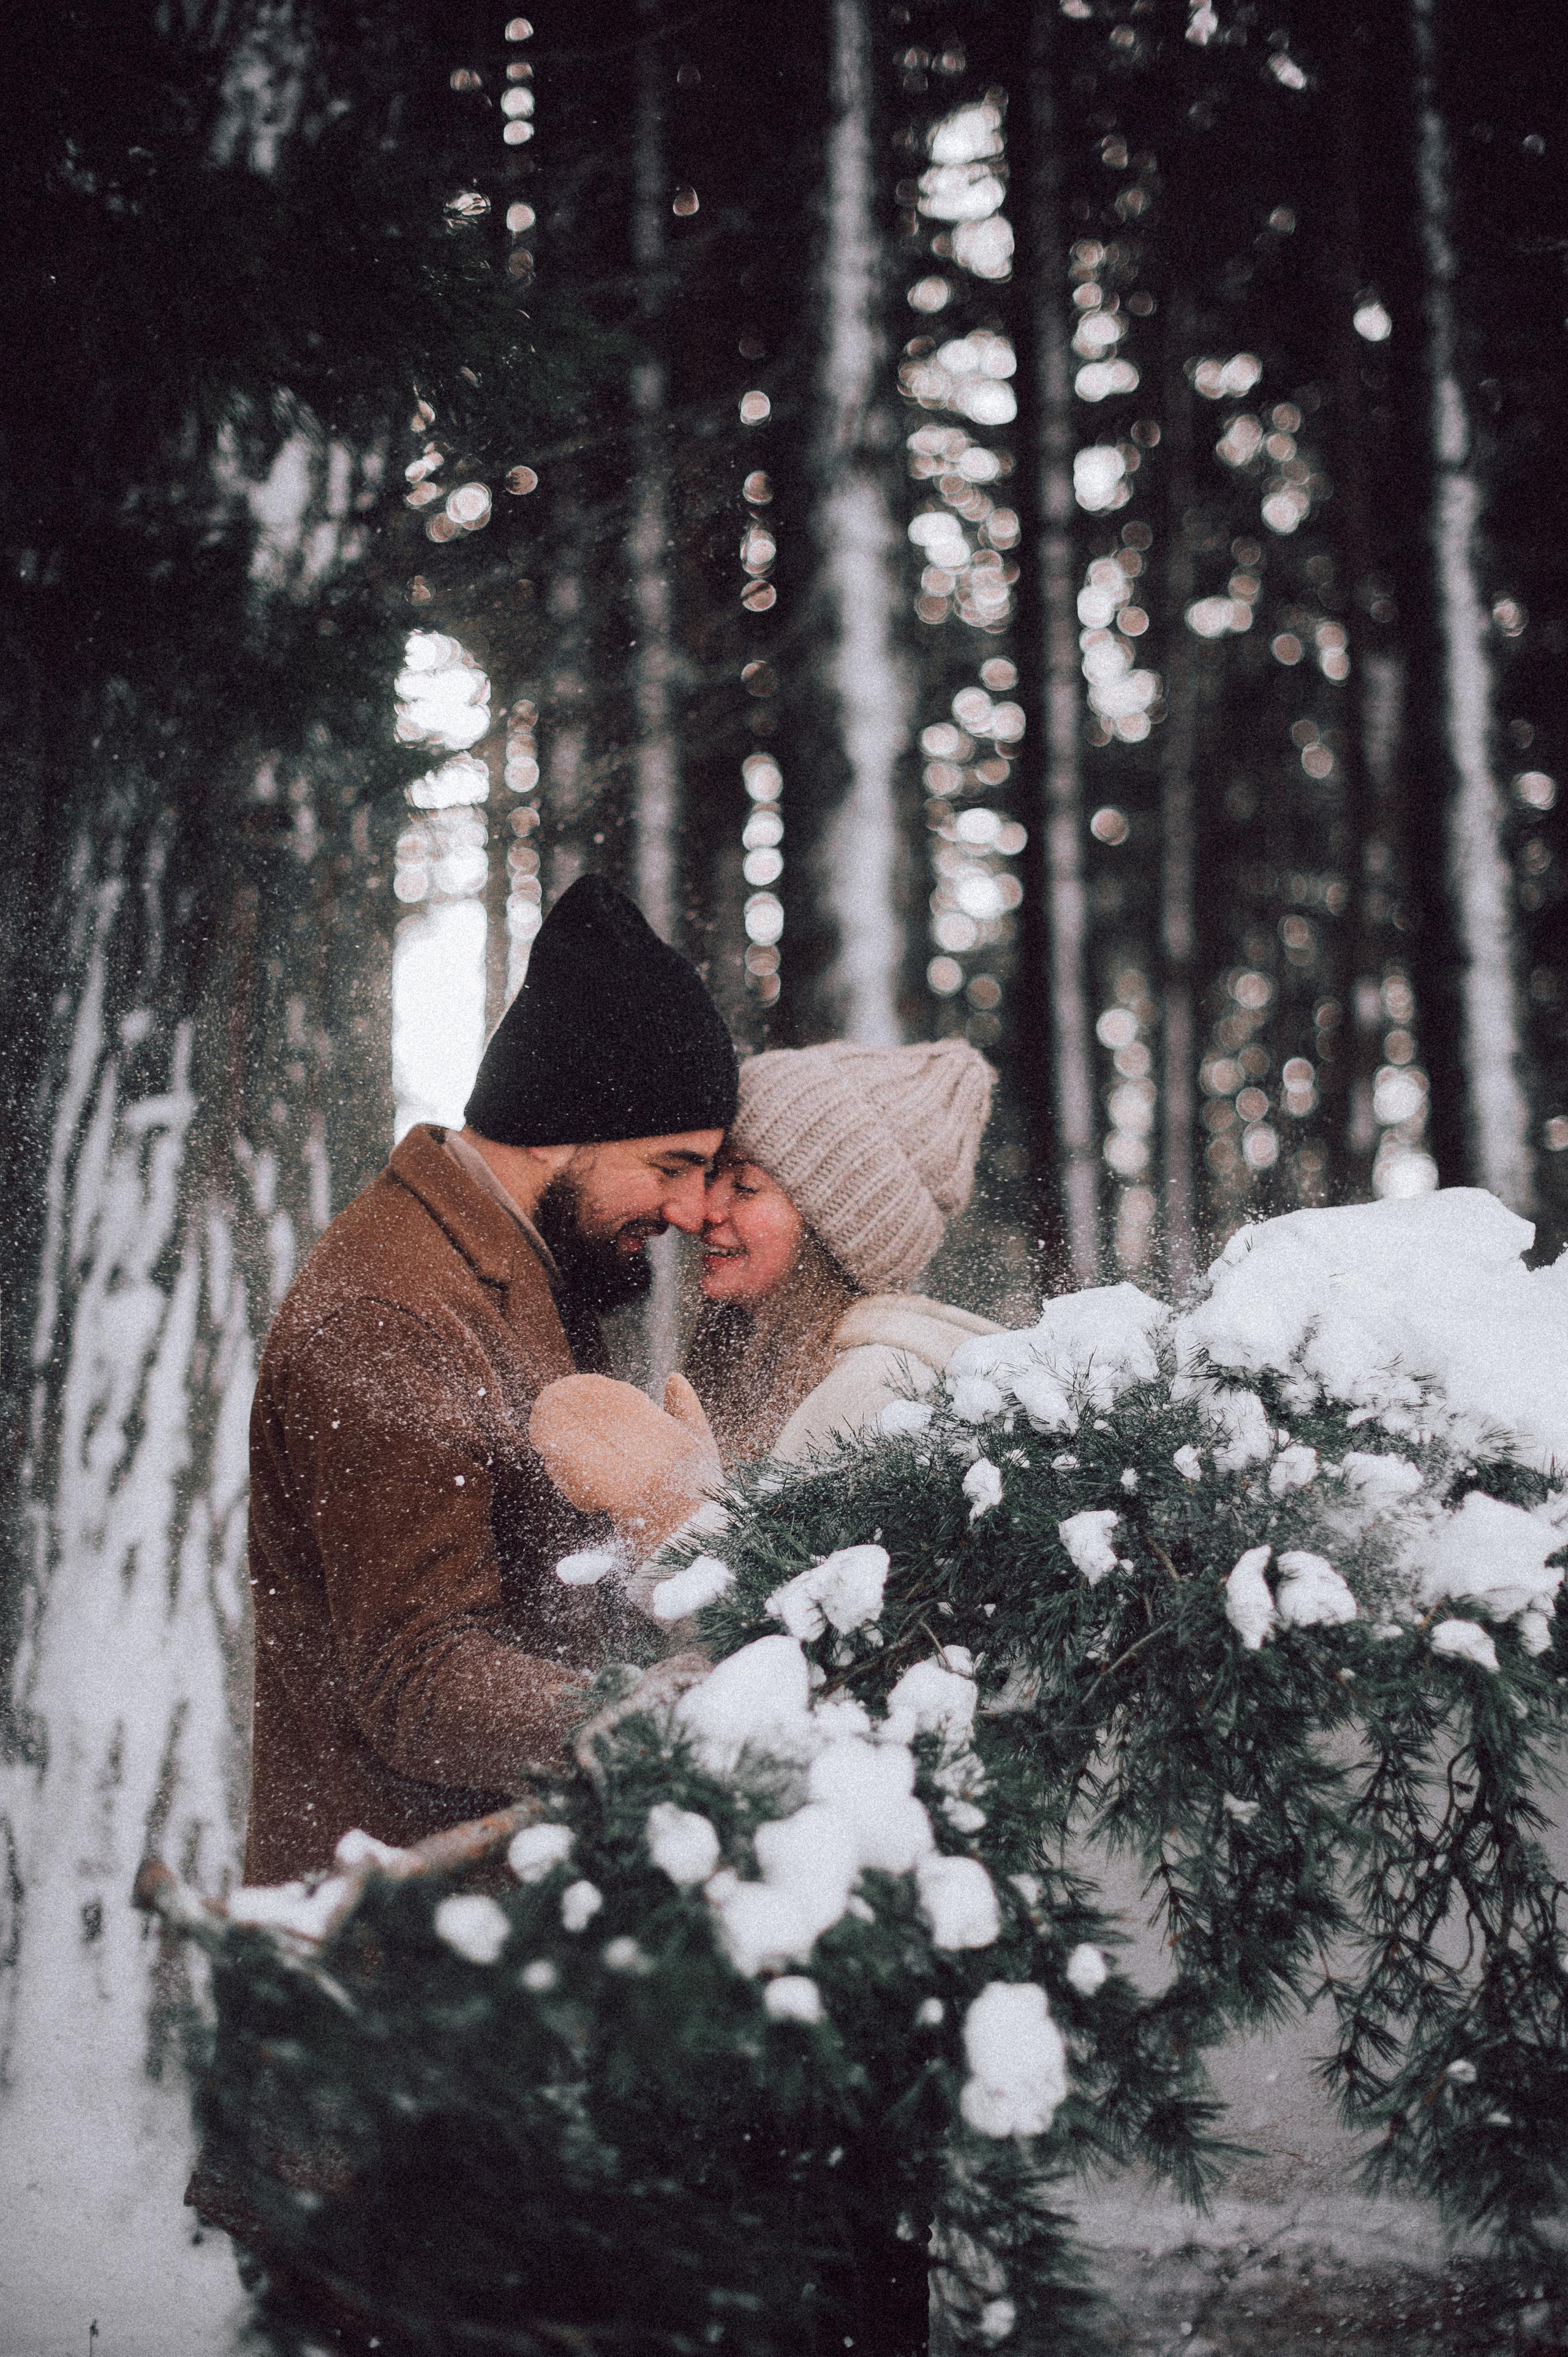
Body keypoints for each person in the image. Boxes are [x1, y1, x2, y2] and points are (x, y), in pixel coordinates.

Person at [240, 874, 737, 1887]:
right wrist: (653, 1717)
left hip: (477, 1946)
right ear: (559, 1123)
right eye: (672, 1164)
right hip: (389, 1966)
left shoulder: (519, 1273)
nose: (690, 1210)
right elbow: (418, 1678)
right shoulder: (393, 1316)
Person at [530, 1039, 1000, 1557]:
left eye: (746, 1185)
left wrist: (667, 1511)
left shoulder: (876, 1397)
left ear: (833, 1231)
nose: (705, 1207)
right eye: (714, 1175)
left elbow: (791, 1621)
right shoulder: (769, 1365)